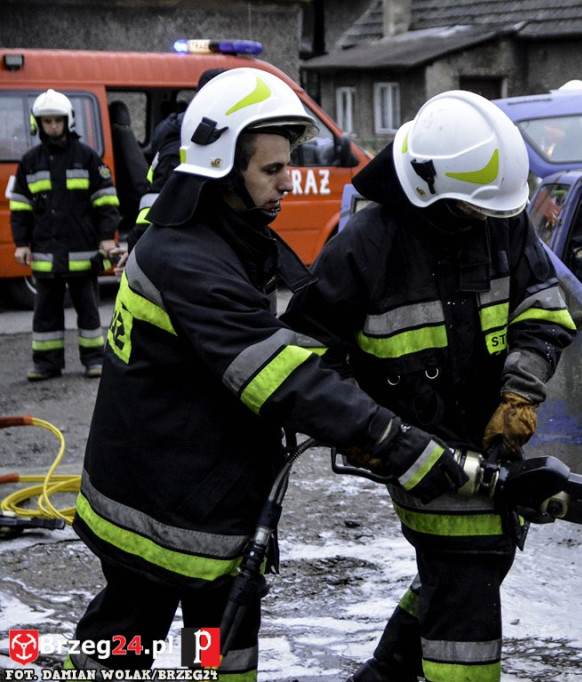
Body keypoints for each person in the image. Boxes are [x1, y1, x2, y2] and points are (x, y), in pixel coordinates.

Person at [67, 68, 469, 679]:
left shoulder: (215, 232)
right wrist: (396, 440)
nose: (289, 180)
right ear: (223, 169)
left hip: (195, 492)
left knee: (219, 653)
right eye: (272, 170)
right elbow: (281, 380)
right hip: (165, 512)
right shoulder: (190, 261)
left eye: (288, 164)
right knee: (125, 649)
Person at [282, 90, 577, 682]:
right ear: (429, 192)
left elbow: (543, 305)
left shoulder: (500, 220)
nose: (488, 221)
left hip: (492, 434)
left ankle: (388, 671)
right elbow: (304, 358)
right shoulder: (363, 248)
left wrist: (520, 393)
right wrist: (364, 430)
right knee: (465, 573)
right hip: (410, 445)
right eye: (474, 211)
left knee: (477, 560)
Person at [9, 89, 120, 381]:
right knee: (45, 313)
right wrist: (21, 244)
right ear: (38, 124)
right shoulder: (29, 162)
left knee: (89, 312)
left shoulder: (89, 158)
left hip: (83, 254)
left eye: (57, 120)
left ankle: (95, 360)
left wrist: (107, 238)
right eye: (47, 122)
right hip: (47, 254)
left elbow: (107, 202)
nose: (53, 127)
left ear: (68, 121)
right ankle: (46, 363)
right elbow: (20, 207)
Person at [111, 68, 226, 275]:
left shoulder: (205, 135)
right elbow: (156, 201)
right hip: (184, 249)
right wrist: (138, 247)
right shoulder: (182, 145)